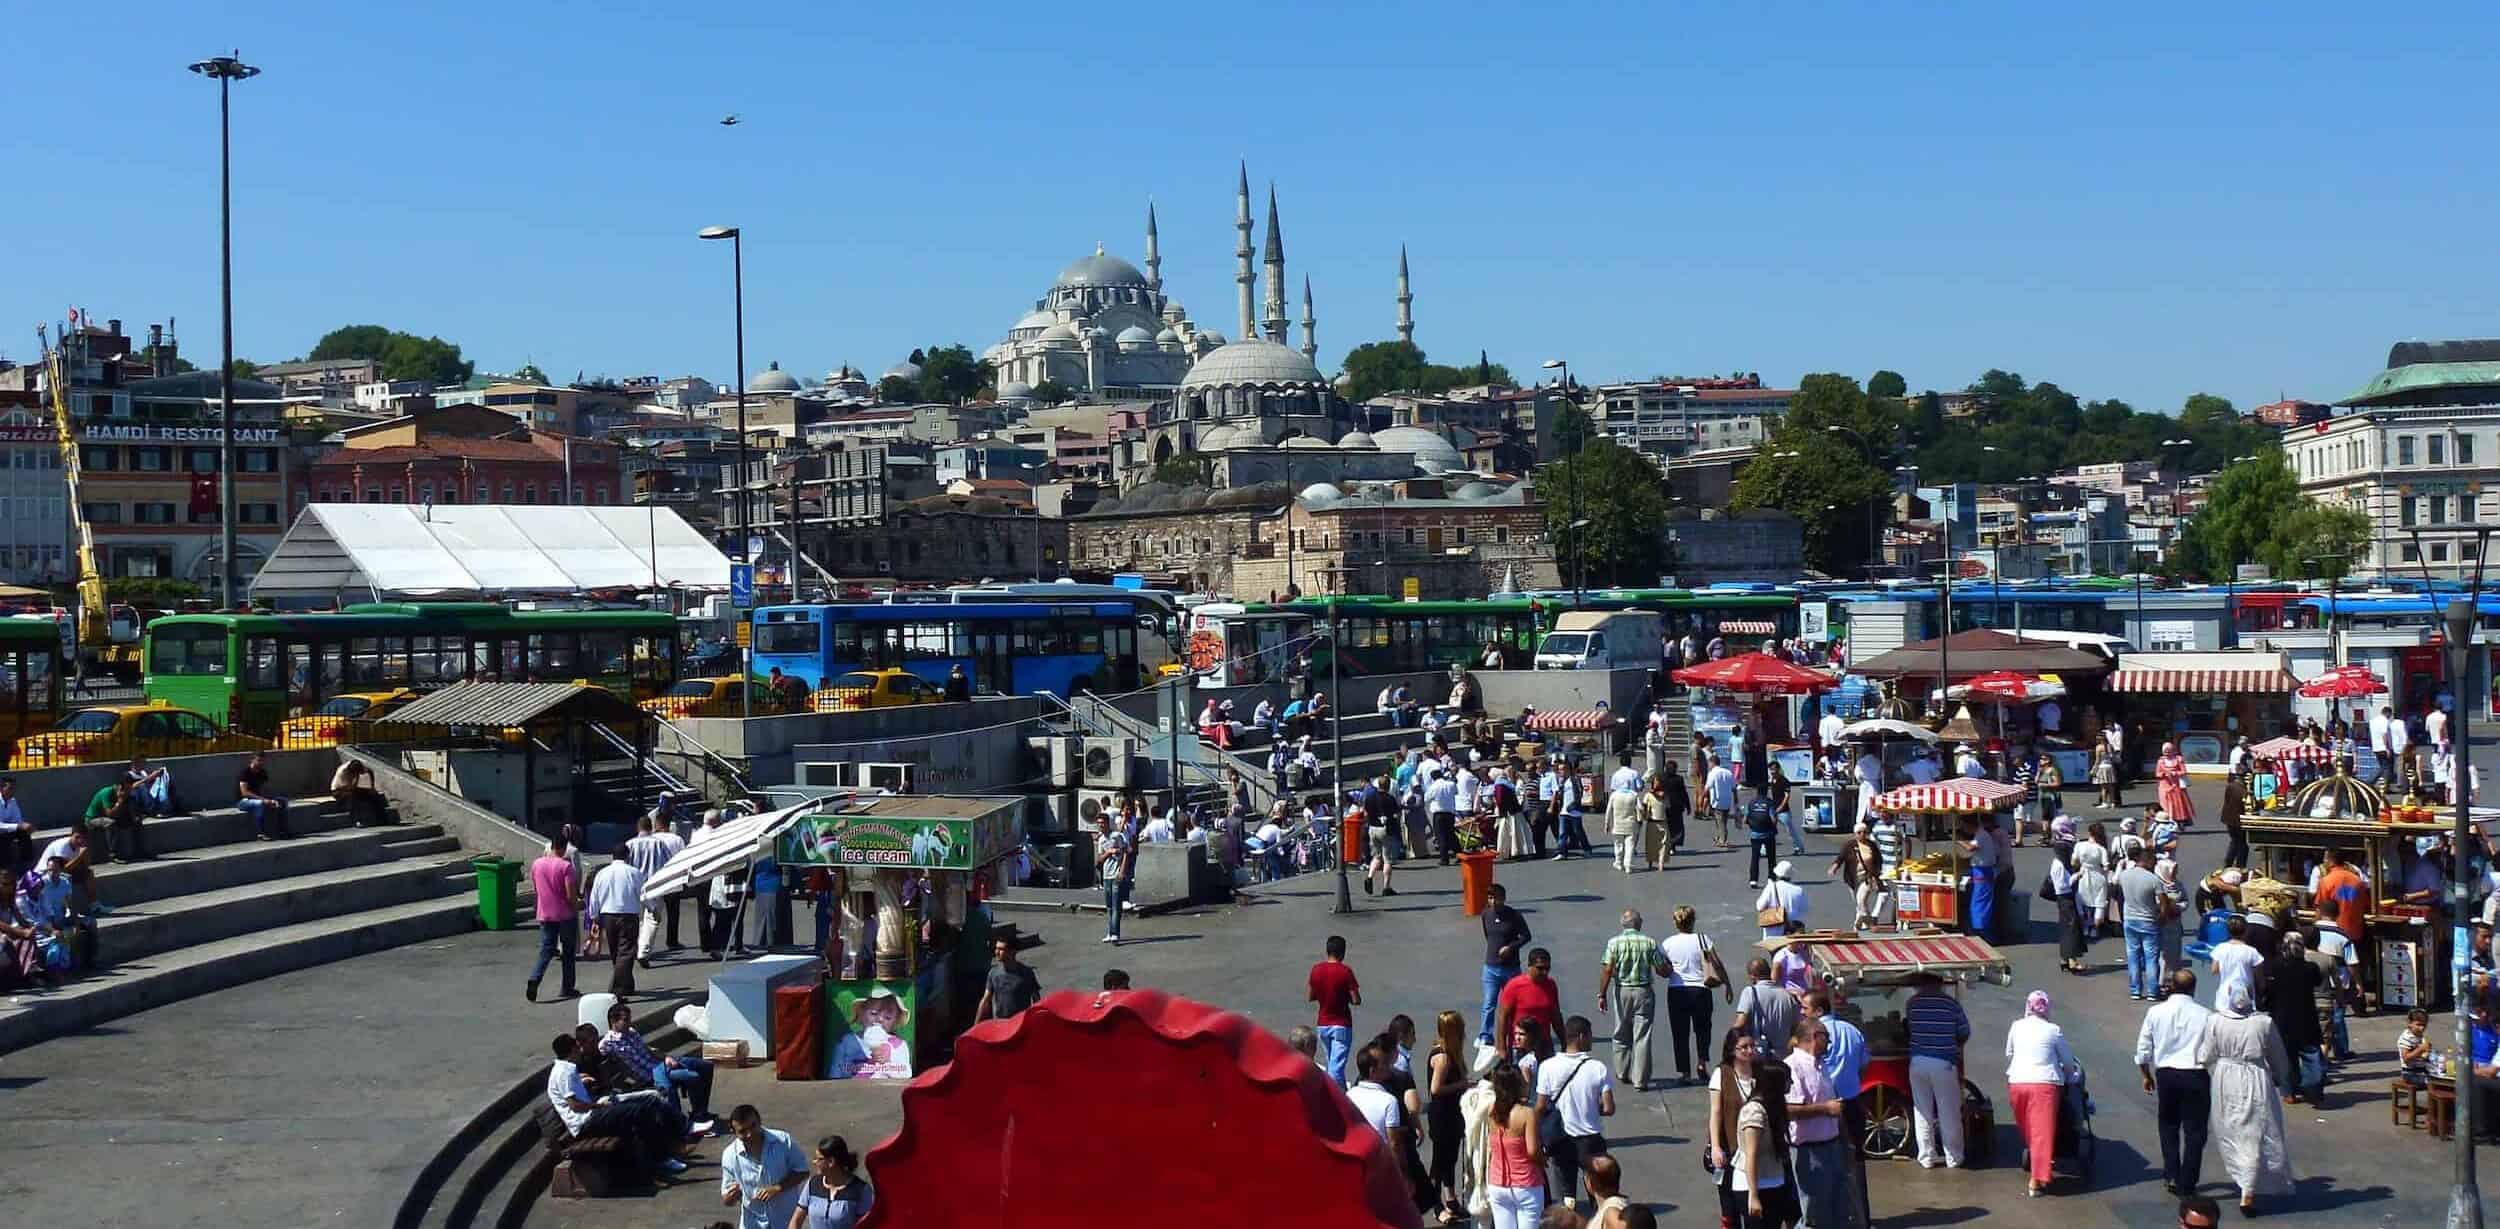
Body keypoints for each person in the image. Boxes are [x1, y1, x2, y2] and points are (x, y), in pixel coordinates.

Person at [2199, 983, 2294, 1216]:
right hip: (2256, 1077)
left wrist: (2215, 1068)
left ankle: (2246, 1185)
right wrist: (2282, 1079)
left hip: (2226, 1079)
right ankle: (2248, 1185)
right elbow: (2278, 1055)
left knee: (2234, 1131)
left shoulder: (2215, 1021)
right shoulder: (2264, 1022)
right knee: (2255, 1130)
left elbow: (2205, 1055)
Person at [543, 1032, 689, 1180]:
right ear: (572, 1050)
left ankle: (668, 1148)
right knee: (638, 1111)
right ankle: (661, 1159)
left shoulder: (565, 1069)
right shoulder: (565, 1072)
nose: (580, 1050)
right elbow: (574, 1106)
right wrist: (599, 1106)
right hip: (585, 1123)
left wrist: (584, 1084)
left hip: (591, 1115)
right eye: (577, 1046)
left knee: (648, 1101)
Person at [2136, 968, 2215, 1196]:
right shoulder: (2206, 1015)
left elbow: (2143, 1049)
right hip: (2195, 1074)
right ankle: (2188, 1180)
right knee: (2196, 1130)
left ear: (2171, 987)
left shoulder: (2156, 1012)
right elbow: (2211, 1050)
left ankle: (2171, 1173)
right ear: (2193, 988)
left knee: (2168, 1125)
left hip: (2167, 1074)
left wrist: (2146, 1075)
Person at [1801, 990, 1870, 1227]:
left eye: (1805, 1009)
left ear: (1819, 1011)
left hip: (1828, 1108)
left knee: (1827, 1164)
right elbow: (1863, 1065)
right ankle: (1861, 1218)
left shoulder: (1815, 1036)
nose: (1802, 1013)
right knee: (1855, 1164)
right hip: (1852, 1103)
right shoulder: (1852, 1031)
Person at [600, 1000, 717, 1132]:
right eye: (625, 1020)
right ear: (613, 1021)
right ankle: (684, 1123)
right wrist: (630, 1081)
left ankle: (700, 1112)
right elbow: (617, 1067)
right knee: (692, 1076)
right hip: (650, 1075)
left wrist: (666, 1057)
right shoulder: (607, 1044)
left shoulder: (631, 1032)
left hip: (661, 1065)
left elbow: (648, 1049)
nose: (629, 1023)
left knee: (705, 1066)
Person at [1535, 1016, 1616, 1206]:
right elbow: (1609, 1108)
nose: (1591, 1040)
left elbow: (1540, 1106)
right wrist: (1591, 1108)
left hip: (1561, 1140)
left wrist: (1537, 1136)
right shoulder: (1597, 1068)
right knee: (1599, 1191)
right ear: (1581, 1036)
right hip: (1591, 1141)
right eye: (1589, 1036)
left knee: (1566, 1195)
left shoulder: (1548, 1066)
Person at [2004, 990, 2078, 1198]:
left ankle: (2037, 1162)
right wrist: (2070, 1077)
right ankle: (2036, 1180)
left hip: (2017, 1082)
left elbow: (2009, 1053)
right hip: (2044, 1085)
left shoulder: (2016, 1026)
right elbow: (2068, 1061)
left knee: (2027, 1127)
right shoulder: (2053, 1030)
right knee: (2042, 1133)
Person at [1782, 1016, 1853, 1229]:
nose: (1829, 1044)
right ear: (1816, 1037)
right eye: (1827, 1038)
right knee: (1815, 1215)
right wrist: (1825, 1108)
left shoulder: (1821, 1066)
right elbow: (1787, 1110)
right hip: (1809, 1153)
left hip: (1833, 1146)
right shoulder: (1793, 1067)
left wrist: (1845, 1141)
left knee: (1839, 1209)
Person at [1906, 972, 1970, 1169]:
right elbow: (1964, 1032)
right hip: (1943, 1062)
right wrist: (1954, 1045)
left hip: (1917, 1061)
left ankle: (1926, 1157)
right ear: (1940, 984)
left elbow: (1908, 1029)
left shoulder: (1912, 1004)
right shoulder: (1951, 1004)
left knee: (1922, 1111)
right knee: (1948, 1112)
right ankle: (1954, 1157)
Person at [1597, 910, 1667, 1090]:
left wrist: (1602, 994)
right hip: (1643, 991)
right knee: (1642, 1035)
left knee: (1621, 1031)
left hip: (1622, 990)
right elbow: (1661, 969)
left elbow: (1607, 969)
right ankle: (1640, 1079)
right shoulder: (1649, 942)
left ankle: (1622, 1071)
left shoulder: (1614, 943)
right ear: (1638, 923)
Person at [1663, 904, 1731, 1085]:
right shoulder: (1703, 939)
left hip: (1677, 990)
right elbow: (1716, 963)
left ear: (1676, 923)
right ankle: (1702, 1063)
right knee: (1703, 1029)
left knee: (1680, 1032)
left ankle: (1684, 1072)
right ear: (1693, 921)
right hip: (1701, 990)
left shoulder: (1668, 943)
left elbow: (1662, 967)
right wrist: (1727, 984)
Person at [1733, 1058, 1799, 1229]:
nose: (1791, 1083)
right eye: (1787, 1079)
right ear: (1774, 1083)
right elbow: (1751, 1155)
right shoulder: (1754, 1112)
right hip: (1754, 1186)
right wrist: (1753, 1196)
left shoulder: (1773, 1107)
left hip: (1774, 1181)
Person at [719, 1104, 809, 1229]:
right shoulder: (729, 1155)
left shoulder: (783, 1141)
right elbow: (727, 1199)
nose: (749, 1134)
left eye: (753, 1126)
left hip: (785, 1222)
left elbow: (802, 1171)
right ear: (733, 1132)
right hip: (752, 1223)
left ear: (759, 1121)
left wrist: (778, 1188)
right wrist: (731, 1197)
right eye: (742, 1131)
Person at [2261, 932, 2325, 1103]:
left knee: (2286, 1059)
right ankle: (2310, 1088)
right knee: (2311, 1057)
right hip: (2307, 1020)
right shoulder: (2310, 968)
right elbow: (2318, 982)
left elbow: (2267, 991)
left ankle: (2289, 1092)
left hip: (2282, 1020)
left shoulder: (2275, 967)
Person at [1482, 1060, 1546, 1229]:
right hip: (1526, 1183)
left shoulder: (1492, 1111)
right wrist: (1542, 1160)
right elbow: (1532, 1150)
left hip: (1497, 1183)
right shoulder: (1526, 1113)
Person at [1708, 1028, 1762, 1227]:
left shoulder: (1760, 1071)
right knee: (1730, 1206)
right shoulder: (1721, 1073)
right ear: (1732, 1050)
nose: (1750, 1051)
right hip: (1730, 1148)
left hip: (1757, 1148)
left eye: (1752, 1046)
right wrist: (1715, 1146)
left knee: (1753, 1204)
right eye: (1744, 1047)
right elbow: (1715, 1113)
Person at [1426, 1010, 1471, 1225]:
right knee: (1440, 1161)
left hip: (1452, 1115)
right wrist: (1462, 1085)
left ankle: (1451, 1199)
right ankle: (1436, 1204)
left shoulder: (1452, 1053)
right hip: (1443, 1116)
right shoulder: (1443, 1057)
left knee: (1449, 1160)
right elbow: (1436, 1089)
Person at [526, 833, 581, 1002]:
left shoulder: (537, 864)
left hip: (545, 913)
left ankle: (535, 977)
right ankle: (567, 987)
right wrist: (579, 904)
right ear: (564, 848)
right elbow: (570, 895)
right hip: (565, 914)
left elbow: (535, 888)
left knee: (547, 949)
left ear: (551, 846)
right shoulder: (565, 867)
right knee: (568, 951)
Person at [585, 844, 644, 995]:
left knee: (616, 952)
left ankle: (627, 985)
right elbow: (643, 893)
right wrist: (651, 908)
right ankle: (616, 989)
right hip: (628, 915)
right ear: (628, 856)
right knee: (626, 952)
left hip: (608, 916)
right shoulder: (634, 872)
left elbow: (594, 897)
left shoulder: (602, 873)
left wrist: (594, 917)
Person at [1481, 883, 1532, 1043]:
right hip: (1490, 968)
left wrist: (1510, 948)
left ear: (1503, 898)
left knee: (1513, 1004)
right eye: (1490, 898)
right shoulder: (1486, 914)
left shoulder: (1514, 916)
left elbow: (1526, 936)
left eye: (1495, 898)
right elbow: (1487, 935)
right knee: (1489, 1003)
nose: (1492, 901)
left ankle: (1515, 1034)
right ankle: (1485, 1035)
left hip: (1511, 969)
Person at [1309, 933, 1362, 1085]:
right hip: (1341, 1023)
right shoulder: (1345, 972)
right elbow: (1356, 999)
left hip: (1323, 1024)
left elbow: (1311, 996)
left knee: (1332, 1063)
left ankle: (1341, 1094)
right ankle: (1335, 1099)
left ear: (1327, 951)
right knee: (1336, 1068)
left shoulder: (1316, 970)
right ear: (1343, 952)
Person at [789, 1134, 873, 1229]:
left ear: (831, 1162)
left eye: (819, 1159)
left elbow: (867, 1226)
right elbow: (796, 1219)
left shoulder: (861, 1190)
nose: (814, 1162)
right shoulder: (813, 1184)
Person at [1495, 947, 1564, 1061]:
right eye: (1540, 968)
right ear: (1530, 966)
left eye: (1547, 968)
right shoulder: (1514, 986)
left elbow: (1555, 1015)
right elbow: (1503, 1017)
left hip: (1544, 1045)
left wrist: (1564, 1041)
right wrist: (1502, 1048)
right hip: (1521, 1047)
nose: (1544, 972)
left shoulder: (1551, 985)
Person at [1732, 956, 1800, 1061]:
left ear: (1753, 976)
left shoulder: (1750, 992)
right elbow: (1795, 1028)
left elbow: (1741, 1022)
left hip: (1759, 1054)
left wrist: (1731, 1043)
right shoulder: (1788, 996)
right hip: (1783, 1057)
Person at [975, 936, 1041, 1021]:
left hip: (1021, 1023)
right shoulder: (993, 973)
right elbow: (985, 1000)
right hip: (1002, 1024)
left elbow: (1036, 1000)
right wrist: (976, 1024)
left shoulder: (1026, 973)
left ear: (1012, 952)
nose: (996, 952)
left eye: (1001, 949)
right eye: (996, 948)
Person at [2207, 913, 2263, 1010]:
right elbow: (2259, 976)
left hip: (2224, 996)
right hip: (2246, 996)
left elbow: (2214, 970)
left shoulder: (2220, 948)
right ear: (2245, 931)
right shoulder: (2251, 951)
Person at [1095, 809, 1133, 945]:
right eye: (1099, 823)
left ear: (1108, 823)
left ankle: (1115, 933)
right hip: (1106, 875)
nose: (1101, 825)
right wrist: (1109, 852)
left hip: (1116, 874)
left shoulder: (1116, 836)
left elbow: (1127, 852)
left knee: (1116, 905)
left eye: (1103, 823)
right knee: (1109, 906)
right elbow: (1099, 860)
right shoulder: (1101, 840)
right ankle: (1110, 932)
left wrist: (1122, 871)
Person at [236, 750, 292, 840]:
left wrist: (272, 800)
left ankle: (283, 830)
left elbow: (265, 789)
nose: (261, 763)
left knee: (283, 801)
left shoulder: (263, 772)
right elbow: (245, 793)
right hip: (243, 801)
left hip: (260, 798)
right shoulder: (245, 773)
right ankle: (261, 833)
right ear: (252, 760)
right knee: (259, 804)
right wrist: (264, 800)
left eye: (262, 761)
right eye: (258, 760)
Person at [1755, 860, 1806, 940]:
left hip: (1772, 931)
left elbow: (1759, 906)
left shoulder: (1771, 887)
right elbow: (1804, 909)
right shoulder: (1798, 890)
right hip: (1792, 930)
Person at [1743, 786, 1782, 888]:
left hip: (1755, 834)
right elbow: (1773, 819)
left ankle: (1753, 880)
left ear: (1757, 792)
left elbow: (1745, 819)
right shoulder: (1769, 803)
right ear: (1766, 792)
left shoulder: (1751, 802)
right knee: (1771, 857)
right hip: (1768, 834)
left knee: (1755, 858)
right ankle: (1771, 878)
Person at [331, 756, 386, 827]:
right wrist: (356, 787)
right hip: (338, 791)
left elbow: (370, 771)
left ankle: (382, 818)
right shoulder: (342, 771)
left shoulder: (358, 765)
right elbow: (348, 787)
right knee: (353, 798)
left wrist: (372, 787)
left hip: (351, 788)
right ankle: (357, 820)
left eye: (358, 773)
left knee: (373, 795)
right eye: (356, 773)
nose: (357, 775)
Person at [1705, 753, 1738, 848]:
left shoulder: (1712, 773)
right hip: (1727, 800)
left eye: (1709, 764)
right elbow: (1734, 788)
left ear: (1712, 763)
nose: (1709, 766)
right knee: (1722, 821)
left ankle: (1723, 840)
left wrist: (1703, 800)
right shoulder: (1728, 772)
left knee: (1720, 822)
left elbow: (1707, 787)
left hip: (1717, 801)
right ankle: (1718, 837)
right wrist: (1735, 800)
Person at [0, 777, 30, 873]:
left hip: (7, 831)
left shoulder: (13, 801)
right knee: (3, 842)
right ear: (1, 789)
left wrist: (25, 826)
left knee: (25, 833)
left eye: (14, 788)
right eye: (10, 788)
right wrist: (17, 826)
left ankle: (27, 864)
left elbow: (18, 820)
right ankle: (5, 869)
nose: (12, 791)